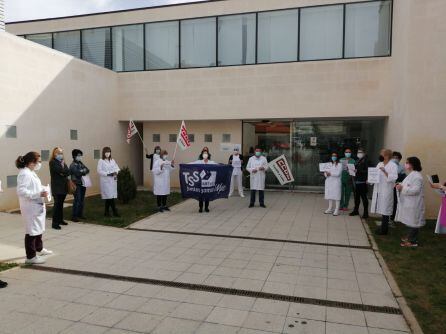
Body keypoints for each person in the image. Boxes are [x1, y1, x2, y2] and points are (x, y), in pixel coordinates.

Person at [16, 152, 53, 265]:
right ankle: (31, 257)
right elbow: (21, 191)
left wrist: (43, 189)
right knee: (31, 231)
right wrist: (38, 194)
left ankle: (39, 248)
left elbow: (34, 187)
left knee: (38, 229)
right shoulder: (24, 174)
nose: (39, 164)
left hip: (36, 205)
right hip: (30, 206)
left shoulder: (31, 172)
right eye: (39, 162)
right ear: (32, 162)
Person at [395, 157, 425, 247]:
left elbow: (415, 190)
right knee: (410, 220)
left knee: (414, 222)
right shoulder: (412, 174)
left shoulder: (417, 177)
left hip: (414, 203)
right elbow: (406, 184)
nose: (406, 164)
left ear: (412, 164)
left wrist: (402, 188)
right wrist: (400, 185)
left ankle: (413, 241)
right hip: (409, 202)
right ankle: (409, 237)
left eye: (407, 163)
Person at [371, 149, 398, 235]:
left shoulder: (393, 165)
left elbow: (394, 178)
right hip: (379, 189)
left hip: (386, 190)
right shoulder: (380, 164)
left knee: (385, 210)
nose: (380, 155)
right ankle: (382, 227)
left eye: (381, 154)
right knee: (381, 209)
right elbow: (374, 175)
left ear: (386, 156)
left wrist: (385, 171)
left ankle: (384, 230)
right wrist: (370, 180)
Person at [49, 147, 70, 230]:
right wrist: (63, 172)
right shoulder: (52, 162)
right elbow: (59, 170)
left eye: (61, 153)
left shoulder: (62, 162)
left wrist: (63, 172)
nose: (60, 154)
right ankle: (55, 223)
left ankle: (60, 220)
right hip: (57, 187)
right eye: (58, 153)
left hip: (63, 186)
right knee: (57, 205)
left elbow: (67, 171)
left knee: (61, 204)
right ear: (54, 153)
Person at [190, 148, 217, 212]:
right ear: (202, 154)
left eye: (206, 153)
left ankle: (206, 207)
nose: (205, 154)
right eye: (204, 153)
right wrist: (184, 164)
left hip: (208, 181)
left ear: (208, 154)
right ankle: (200, 207)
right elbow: (192, 163)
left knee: (207, 194)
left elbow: (218, 165)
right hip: (201, 181)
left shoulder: (211, 162)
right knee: (201, 194)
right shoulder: (199, 162)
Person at [97, 147, 120, 217]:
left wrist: (116, 172)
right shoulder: (101, 161)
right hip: (106, 181)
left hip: (113, 181)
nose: (108, 153)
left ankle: (106, 213)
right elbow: (99, 171)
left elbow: (117, 168)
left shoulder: (113, 160)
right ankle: (115, 212)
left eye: (109, 152)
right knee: (110, 197)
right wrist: (108, 174)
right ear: (104, 153)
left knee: (109, 197)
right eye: (106, 152)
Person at [69, 149, 90, 222]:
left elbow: (87, 170)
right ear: (74, 156)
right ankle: (74, 216)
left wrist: (82, 171)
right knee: (77, 199)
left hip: (82, 184)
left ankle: (80, 214)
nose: (80, 157)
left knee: (81, 200)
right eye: (79, 155)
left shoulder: (80, 163)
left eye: (81, 155)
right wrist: (82, 171)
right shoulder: (72, 165)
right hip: (76, 184)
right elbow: (77, 173)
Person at [350, 148, 370, 218]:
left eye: (360, 152)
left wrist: (357, 171)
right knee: (357, 197)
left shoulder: (366, 161)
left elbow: (367, 171)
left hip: (362, 182)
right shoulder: (358, 160)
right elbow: (355, 169)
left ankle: (366, 213)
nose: (359, 153)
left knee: (364, 197)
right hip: (356, 181)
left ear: (364, 153)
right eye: (358, 152)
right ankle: (356, 210)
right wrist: (351, 170)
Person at [391, 151, 406, 222]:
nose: (395, 159)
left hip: (396, 186)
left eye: (397, 158)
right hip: (388, 186)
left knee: (395, 201)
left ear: (399, 159)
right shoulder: (388, 165)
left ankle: (393, 216)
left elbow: (403, 177)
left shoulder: (401, 167)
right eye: (393, 157)